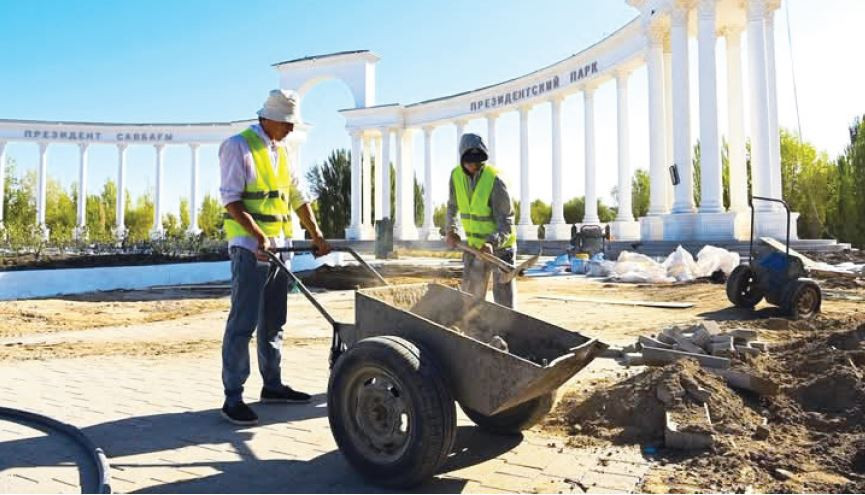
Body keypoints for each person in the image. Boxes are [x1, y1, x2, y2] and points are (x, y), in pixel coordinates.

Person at [218, 89, 331, 425]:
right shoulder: (237, 146)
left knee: (274, 321)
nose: (292, 129)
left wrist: (315, 233)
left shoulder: (283, 150)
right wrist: (257, 235)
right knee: (243, 323)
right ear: (268, 118)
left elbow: (297, 195)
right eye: (287, 123)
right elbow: (231, 199)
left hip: (281, 246)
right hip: (250, 247)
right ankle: (233, 397)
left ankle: (272, 385)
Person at [445, 133, 517, 308]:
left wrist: (492, 242)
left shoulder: (495, 180)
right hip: (474, 247)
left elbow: (506, 220)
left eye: (477, 162)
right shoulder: (455, 176)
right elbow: (452, 206)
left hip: (500, 249)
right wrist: (451, 230)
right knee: (470, 298)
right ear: (462, 159)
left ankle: (506, 325)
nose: (473, 166)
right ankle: (473, 323)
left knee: (504, 304)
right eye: (469, 162)